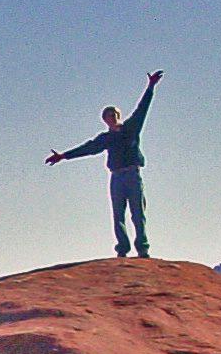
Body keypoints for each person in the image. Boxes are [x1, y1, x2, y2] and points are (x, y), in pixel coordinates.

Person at [47, 70, 164, 258]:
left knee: (137, 213)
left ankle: (142, 249)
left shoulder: (131, 128)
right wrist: (63, 156)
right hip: (117, 177)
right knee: (118, 215)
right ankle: (122, 250)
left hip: (133, 175)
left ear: (118, 115)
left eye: (113, 115)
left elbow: (142, 108)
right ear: (104, 121)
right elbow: (88, 148)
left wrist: (150, 87)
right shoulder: (106, 138)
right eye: (107, 117)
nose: (111, 118)